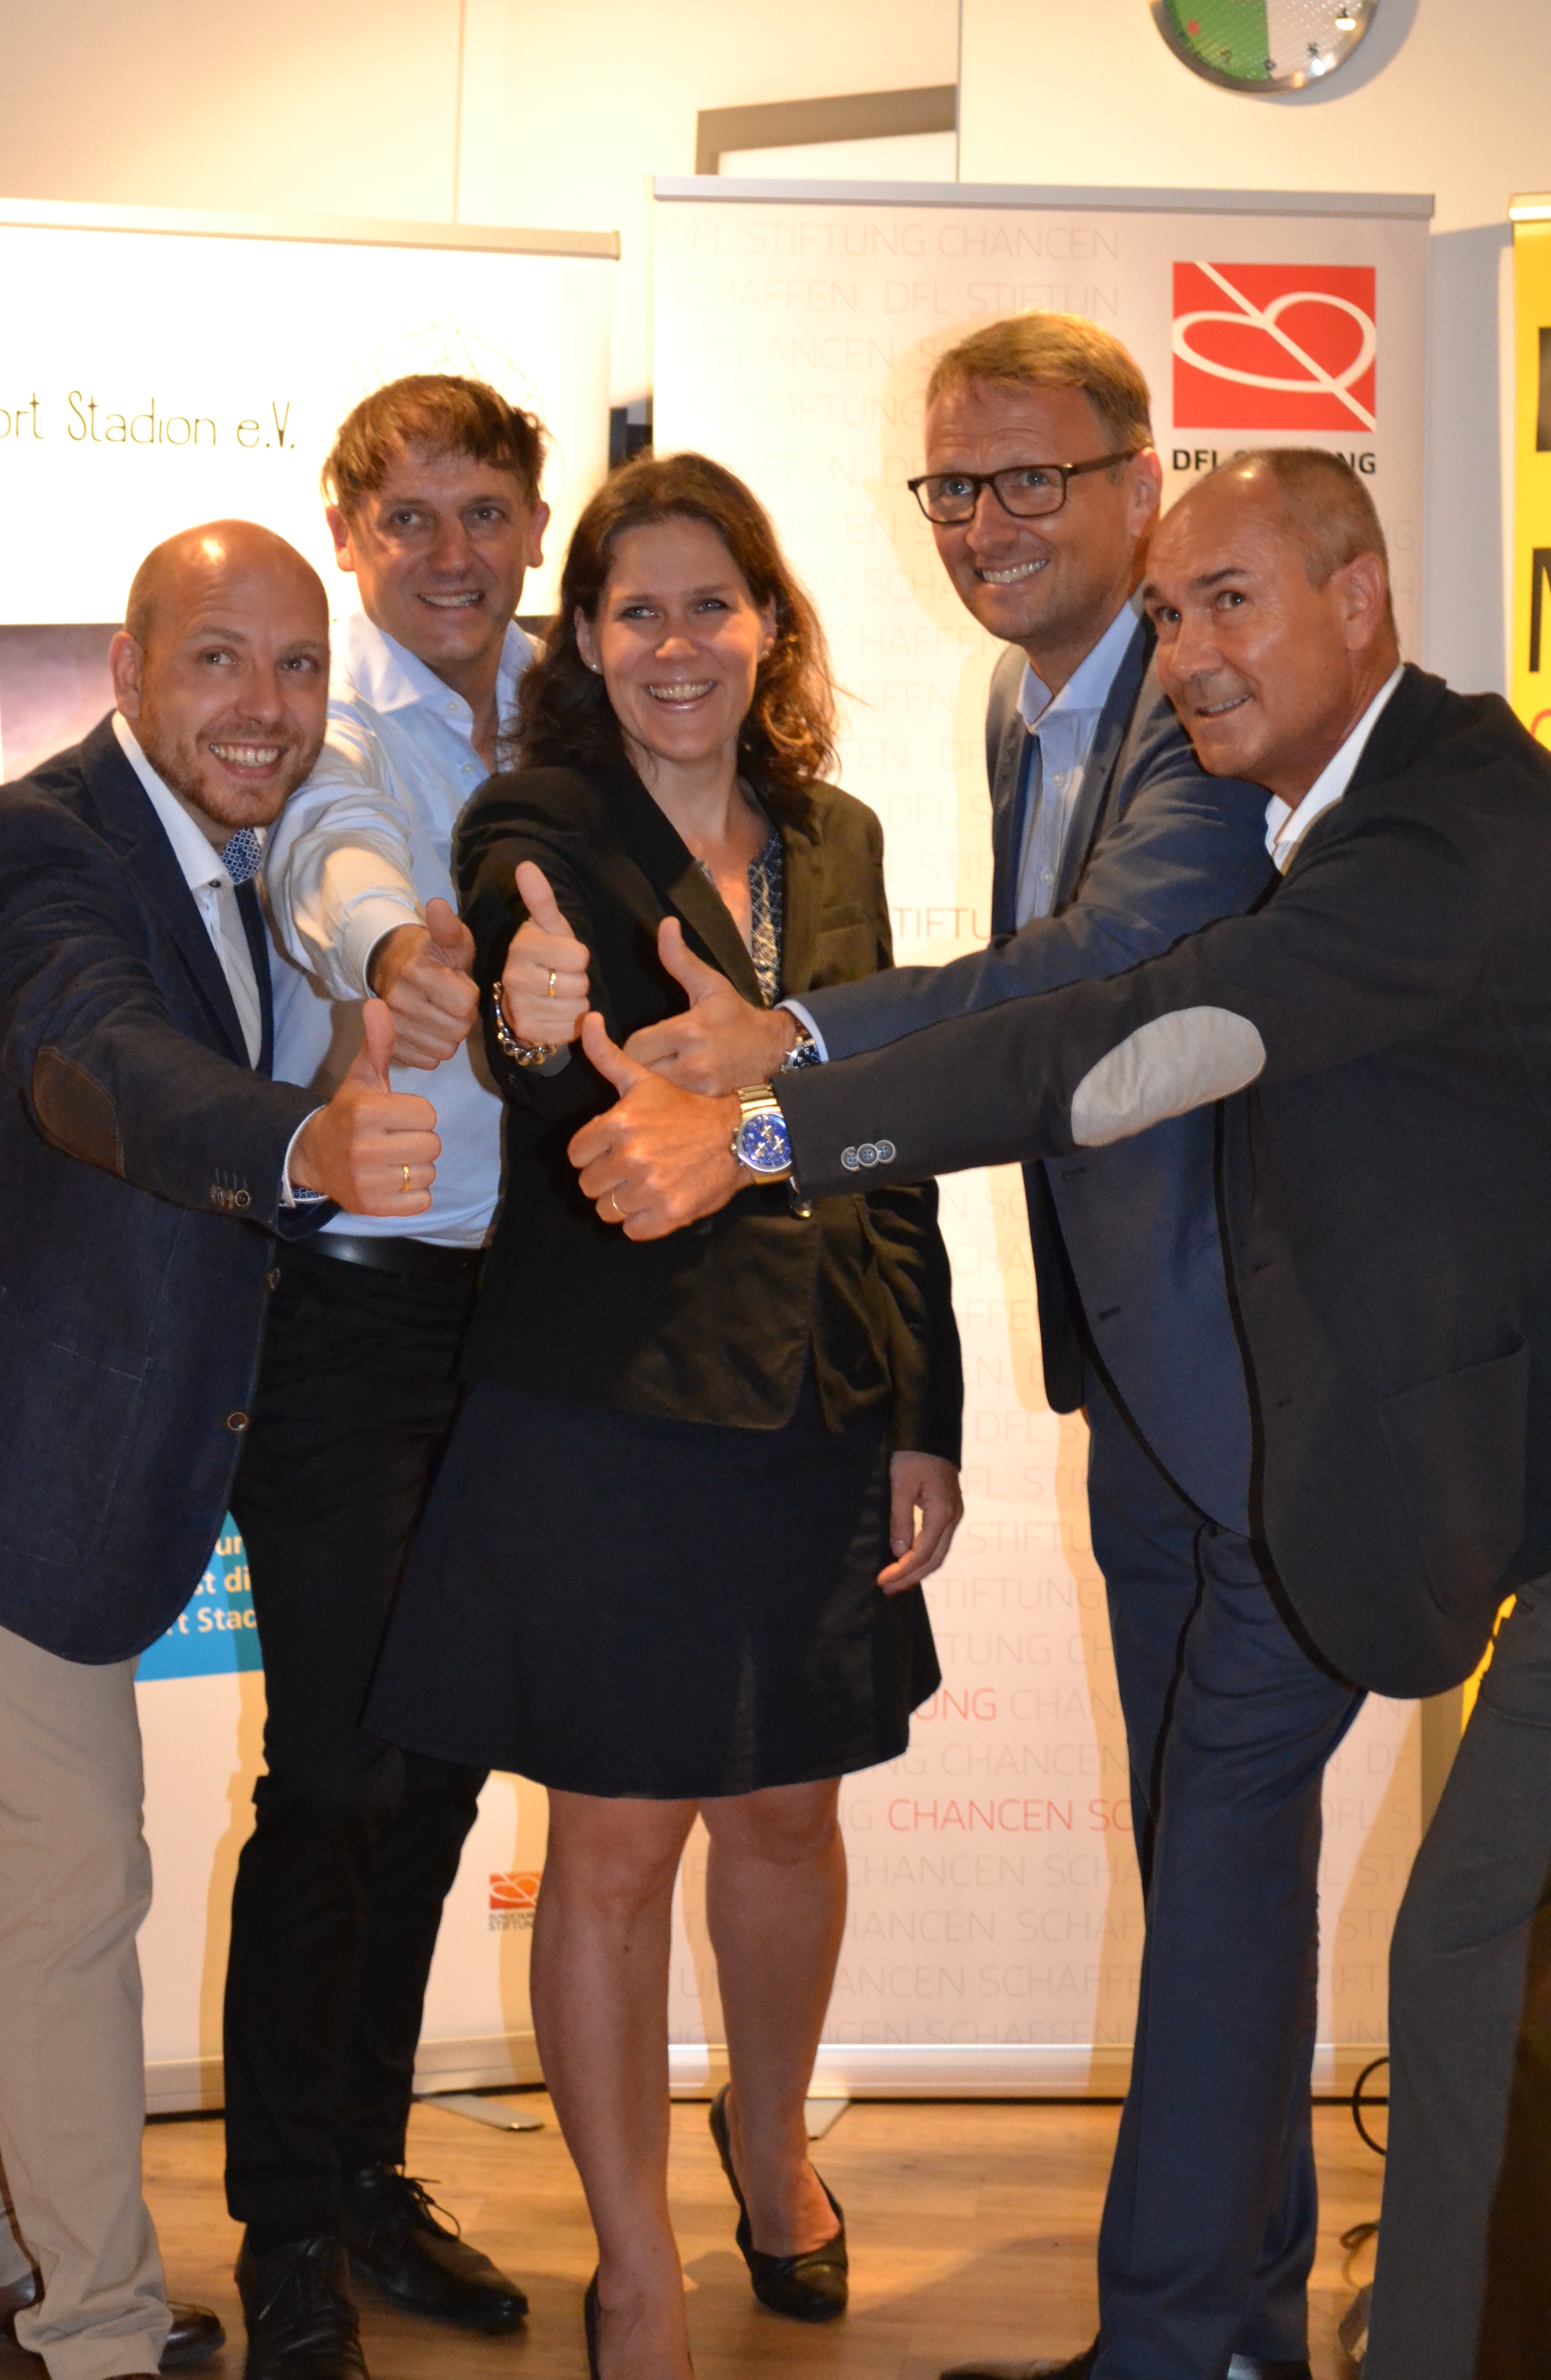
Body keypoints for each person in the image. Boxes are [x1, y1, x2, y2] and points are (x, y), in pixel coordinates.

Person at [568, 448, 1551, 2380]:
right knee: (1332, 1902)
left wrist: (765, 1130)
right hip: (1382, 1440)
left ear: (1361, 597)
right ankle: (1223, 2336)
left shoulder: (1440, 832)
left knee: (1451, 1951)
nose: (1188, 654)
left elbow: (1127, 1037)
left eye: (1230, 602)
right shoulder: (1351, 805)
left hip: (1426, 1457)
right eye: (1169, 617)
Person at [363, 451, 964, 2380]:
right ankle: (637, 2269)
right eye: (638, 611)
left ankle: (772, 2152)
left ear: (769, 624)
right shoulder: (539, 819)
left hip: (819, 1403)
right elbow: (537, 1038)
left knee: (786, 1816)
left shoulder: (840, 838)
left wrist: (924, 1410)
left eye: (713, 604)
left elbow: (892, 1131)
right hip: (608, 1416)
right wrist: (530, 1010)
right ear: (591, 640)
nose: (677, 643)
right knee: (615, 1846)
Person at [0, 523, 440, 2380]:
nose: (265, 705)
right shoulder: (39, 844)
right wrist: (302, 1144)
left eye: (298, 666)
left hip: (48, 1438)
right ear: (129, 669)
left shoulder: (226, 850)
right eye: (219, 658)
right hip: (6, 1454)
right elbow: (95, 1057)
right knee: (73, 1884)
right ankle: (103, 2333)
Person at [225, 376, 544, 2379]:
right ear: (350, 540)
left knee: (434, 1778)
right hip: (348, 1316)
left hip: (532, 1324)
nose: (448, 553)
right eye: (406, 518)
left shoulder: (574, 703)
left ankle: (359, 2170)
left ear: (534, 529)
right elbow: (327, 861)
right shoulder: (320, 722)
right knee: (334, 1782)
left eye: (481, 512)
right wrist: (396, 960)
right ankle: (280, 2240)